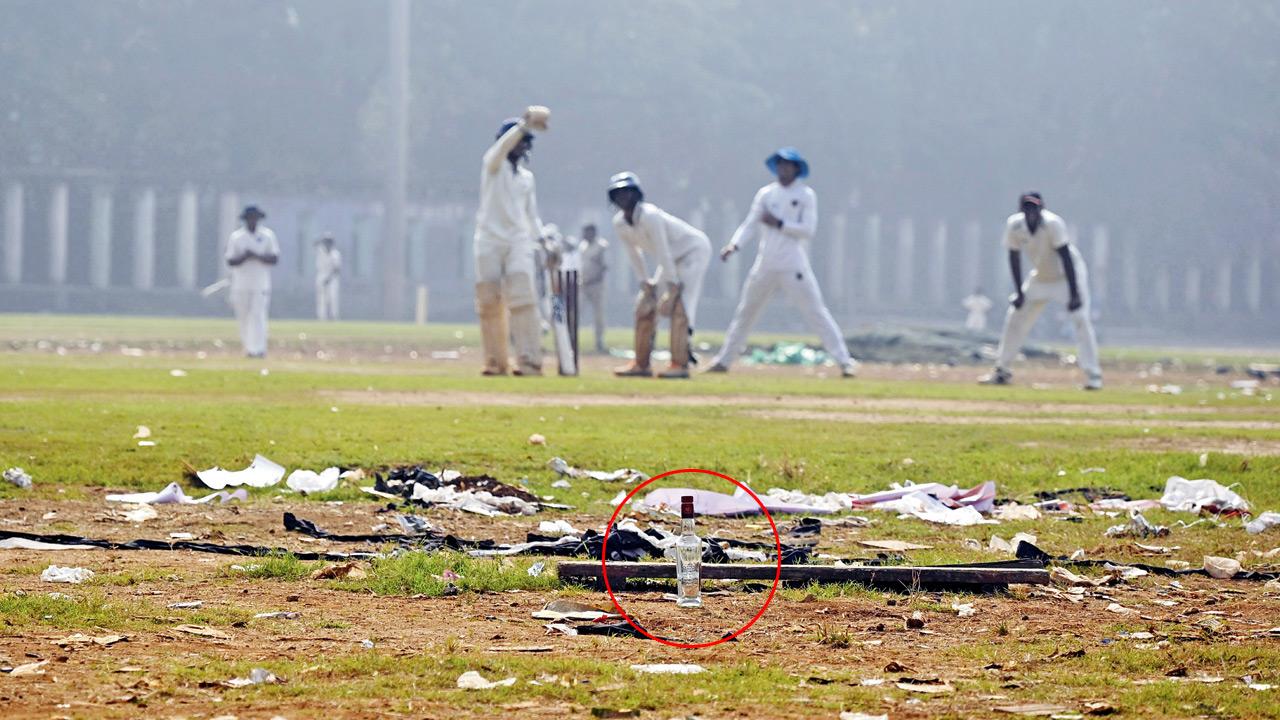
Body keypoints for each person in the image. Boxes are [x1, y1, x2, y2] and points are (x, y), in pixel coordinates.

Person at [707, 147, 858, 377]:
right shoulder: (766, 194)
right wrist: (734, 245)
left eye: (788, 165)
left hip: (793, 264)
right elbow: (750, 223)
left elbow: (808, 230)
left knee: (816, 312)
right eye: (780, 165)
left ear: (796, 169)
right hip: (765, 263)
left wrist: (779, 223)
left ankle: (844, 361)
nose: (783, 169)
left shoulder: (805, 195)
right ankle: (724, 360)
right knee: (746, 313)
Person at [980, 192, 1102, 390]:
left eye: (1034, 208)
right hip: (1041, 276)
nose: (1031, 212)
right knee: (1015, 317)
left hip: (1066, 276)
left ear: (1041, 208)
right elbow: (1014, 257)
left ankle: (1093, 376)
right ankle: (1001, 371)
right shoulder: (1015, 225)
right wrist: (1019, 292)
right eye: (1027, 208)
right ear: (1021, 209)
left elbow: (1066, 257)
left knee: (1080, 319)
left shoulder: (1053, 224)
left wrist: (1075, 294)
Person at [607, 172, 711, 379]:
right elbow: (633, 254)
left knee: (680, 305)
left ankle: (679, 364)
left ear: (636, 194)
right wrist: (645, 282)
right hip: (671, 260)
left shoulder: (650, 215)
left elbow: (663, 249)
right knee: (644, 305)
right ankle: (641, 363)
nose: (623, 197)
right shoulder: (619, 223)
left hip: (692, 251)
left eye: (627, 192)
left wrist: (672, 288)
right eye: (618, 193)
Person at [474, 105, 550, 376]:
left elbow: (532, 216)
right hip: (488, 239)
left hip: (518, 241)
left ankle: (530, 361)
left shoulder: (527, 179)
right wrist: (522, 125)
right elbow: (500, 151)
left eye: (525, 142)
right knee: (489, 301)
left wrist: (544, 243)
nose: (522, 146)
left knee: (523, 298)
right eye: (519, 141)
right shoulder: (493, 166)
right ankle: (495, 362)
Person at [224, 205, 278, 358]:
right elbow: (230, 260)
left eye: (255, 218)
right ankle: (248, 347)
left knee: (258, 315)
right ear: (245, 220)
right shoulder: (237, 237)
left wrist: (257, 256)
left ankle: (259, 348)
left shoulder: (267, 236)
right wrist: (244, 257)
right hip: (241, 283)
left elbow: (274, 258)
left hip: (260, 283)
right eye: (250, 219)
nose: (252, 221)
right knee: (243, 315)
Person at [579, 223, 609, 353]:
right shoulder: (582, 246)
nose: (585, 235)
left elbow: (605, 267)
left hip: (597, 285)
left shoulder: (602, 246)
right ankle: (572, 339)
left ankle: (599, 341)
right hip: (583, 285)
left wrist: (594, 279)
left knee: (599, 315)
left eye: (587, 232)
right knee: (578, 311)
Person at [314, 234, 341, 321]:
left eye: (329, 242)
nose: (327, 244)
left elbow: (337, 269)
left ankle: (334, 316)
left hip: (332, 278)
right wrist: (321, 239)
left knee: (333, 298)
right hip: (321, 276)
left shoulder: (335, 254)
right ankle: (322, 317)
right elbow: (314, 244)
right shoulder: (320, 251)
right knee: (321, 298)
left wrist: (329, 278)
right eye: (326, 242)